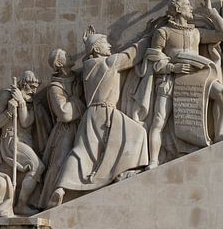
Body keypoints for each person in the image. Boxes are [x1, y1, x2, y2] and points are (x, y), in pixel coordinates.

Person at [49, 29, 149, 207]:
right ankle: (122, 170)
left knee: (82, 151)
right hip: (107, 112)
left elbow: (89, 56)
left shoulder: (88, 67)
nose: (109, 45)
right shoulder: (109, 63)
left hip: (90, 114)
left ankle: (61, 187)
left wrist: (88, 42)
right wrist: (149, 35)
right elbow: (132, 54)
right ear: (96, 49)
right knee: (139, 133)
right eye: (105, 42)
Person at [144, 0, 223, 168]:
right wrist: (172, 67)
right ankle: (153, 160)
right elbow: (153, 58)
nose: (190, 8)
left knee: (222, 93)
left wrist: (211, 12)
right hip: (172, 79)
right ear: (177, 9)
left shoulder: (196, 33)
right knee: (159, 119)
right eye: (187, 5)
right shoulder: (163, 32)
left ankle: (220, 132)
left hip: (196, 77)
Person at [0, 71, 45, 215]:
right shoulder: (6, 95)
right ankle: (21, 205)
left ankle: (18, 204)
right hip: (11, 141)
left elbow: (25, 122)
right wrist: (9, 111)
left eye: (36, 87)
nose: (34, 90)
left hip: (26, 141)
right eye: (31, 86)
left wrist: (21, 103)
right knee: (37, 167)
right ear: (24, 84)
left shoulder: (31, 102)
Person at [38, 49, 85, 209]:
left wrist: (89, 43)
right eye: (66, 54)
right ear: (59, 63)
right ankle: (49, 200)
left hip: (82, 124)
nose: (70, 54)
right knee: (59, 162)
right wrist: (76, 99)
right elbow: (64, 114)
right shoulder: (55, 88)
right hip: (66, 130)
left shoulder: (77, 77)